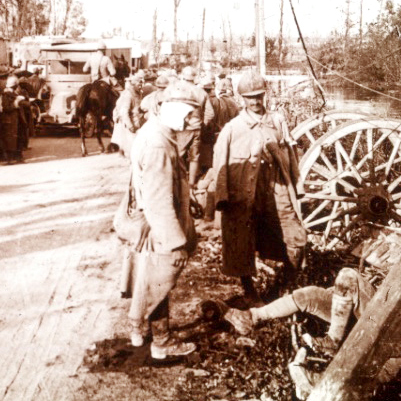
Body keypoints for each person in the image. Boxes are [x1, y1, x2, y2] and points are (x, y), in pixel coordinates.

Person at [221, 267, 401, 399]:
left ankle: (325, 382)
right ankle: (253, 317)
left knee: (380, 366)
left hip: (394, 337)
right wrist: (340, 299)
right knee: (323, 290)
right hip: (379, 310)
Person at [119, 85, 199, 359]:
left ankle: (140, 330)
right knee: (160, 280)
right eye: (189, 115)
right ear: (177, 113)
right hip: (159, 227)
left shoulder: (154, 132)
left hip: (150, 222)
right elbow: (159, 200)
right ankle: (162, 343)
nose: (192, 121)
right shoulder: (158, 145)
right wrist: (176, 243)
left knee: (148, 279)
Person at [213, 71, 306, 305]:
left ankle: (285, 287)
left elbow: (292, 154)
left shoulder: (277, 121)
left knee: (295, 237)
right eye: (249, 97)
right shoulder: (233, 128)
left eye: (259, 96)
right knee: (241, 242)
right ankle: (250, 292)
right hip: (243, 195)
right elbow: (220, 164)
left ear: (265, 95)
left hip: (276, 190)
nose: (255, 102)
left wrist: (297, 185)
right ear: (242, 98)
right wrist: (222, 197)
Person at [164, 65, 215, 188]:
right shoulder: (201, 92)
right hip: (196, 127)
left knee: (177, 154)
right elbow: (210, 113)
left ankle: (173, 182)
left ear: (182, 75)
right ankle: (191, 183)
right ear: (194, 78)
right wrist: (201, 124)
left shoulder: (172, 88)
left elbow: (164, 104)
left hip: (178, 127)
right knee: (194, 157)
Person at [110, 74, 143, 158]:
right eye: (139, 84)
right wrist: (130, 126)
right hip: (129, 122)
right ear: (133, 84)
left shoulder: (138, 93)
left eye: (141, 84)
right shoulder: (128, 94)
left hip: (136, 120)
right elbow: (124, 112)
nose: (140, 86)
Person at [0, 75, 27, 163]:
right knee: (10, 140)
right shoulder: (5, 95)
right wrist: (16, 103)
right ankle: (9, 159)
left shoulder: (13, 94)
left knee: (18, 138)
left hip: (16, 120)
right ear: (14, 86)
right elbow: (6, 108)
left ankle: (18, 157)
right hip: (10, 121)